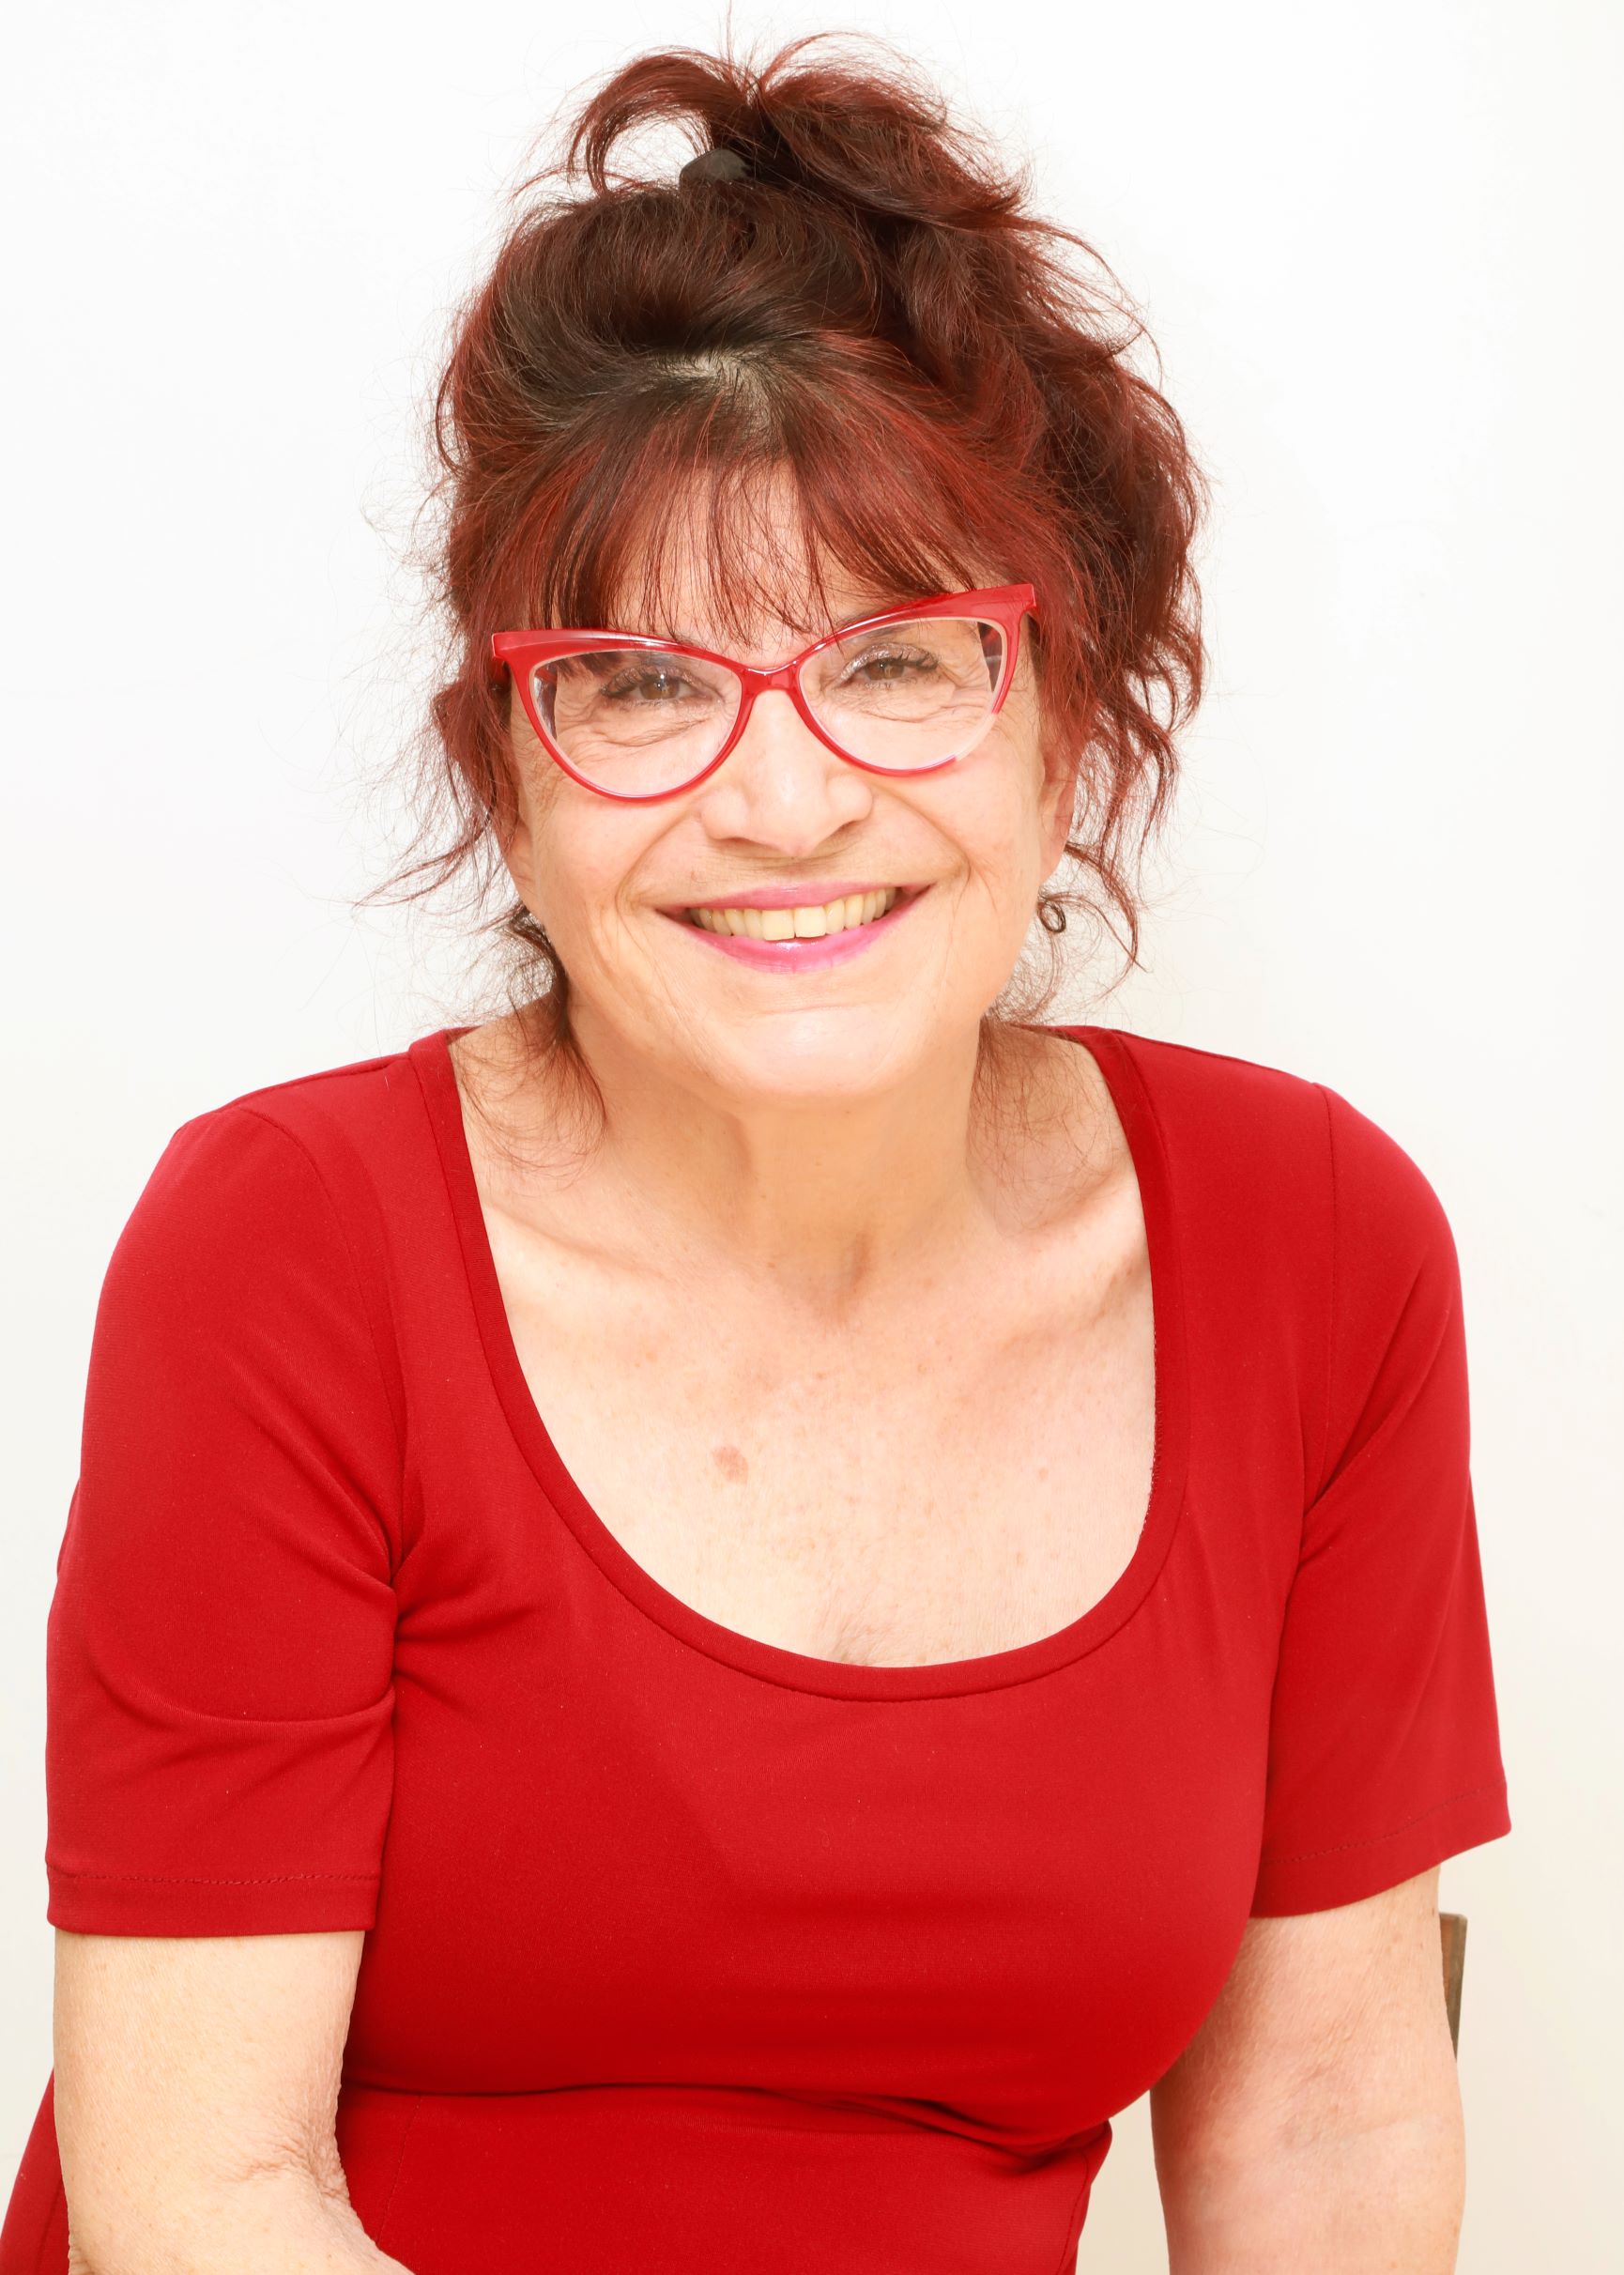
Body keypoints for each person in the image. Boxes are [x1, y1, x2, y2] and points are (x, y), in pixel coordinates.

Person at [1, 35, 1510, 2275]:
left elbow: (1322, 2126)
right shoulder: (288, 1246)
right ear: (508, 774)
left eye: (899, 661)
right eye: (643, 683)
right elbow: (202, 2194)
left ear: (1068, 726)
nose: (783, 802)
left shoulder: (1317, 1249)